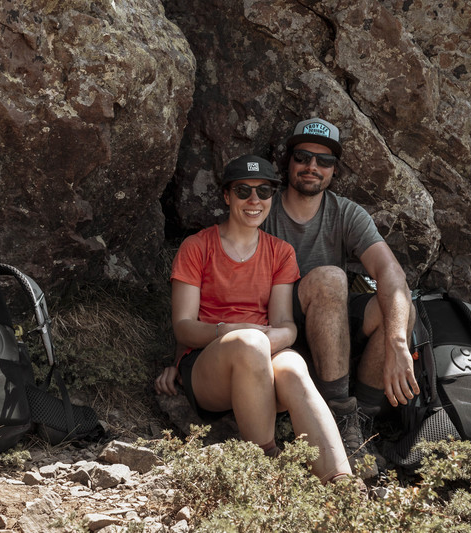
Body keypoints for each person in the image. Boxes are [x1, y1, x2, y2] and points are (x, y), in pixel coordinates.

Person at [154, 154, 353, 484]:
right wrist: (232, 331)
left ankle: (341, 484)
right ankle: (267, 467)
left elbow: (286, 325)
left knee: (293, 367)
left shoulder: (281, 252)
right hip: (211, 369)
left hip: (263, 356)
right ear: (226, 195)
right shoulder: (197, 247)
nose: (254, 200)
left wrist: (266, 340)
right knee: (248, 343)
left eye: (264, 191)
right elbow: (184, 327)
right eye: (243, 191)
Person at [261, 118, 419, 478]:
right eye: (303, 157)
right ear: (288, 161)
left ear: (334, 170)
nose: (312, 167)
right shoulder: (264, 208)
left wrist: (397, 343)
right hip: (282, 326)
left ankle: (359, 425)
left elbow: (391, 273)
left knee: (400, 310)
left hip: (332, 325)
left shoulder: (345, 212)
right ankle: (338, 411)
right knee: (331, 278)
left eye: (324, 161)